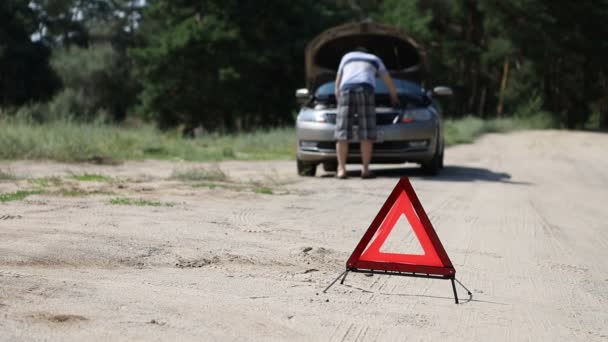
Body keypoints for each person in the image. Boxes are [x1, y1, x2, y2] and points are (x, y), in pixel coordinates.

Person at [334, 47, 400, 179]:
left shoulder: (347, 57)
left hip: (347, 89)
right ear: (367, 52)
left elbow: (338, 81)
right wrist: (394, 97)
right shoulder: (374, 59)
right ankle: (365, 170)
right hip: (365, 89)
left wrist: (338, 99)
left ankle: (341, 169)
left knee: (342, 133)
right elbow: (388, 80)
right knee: (366, 132)